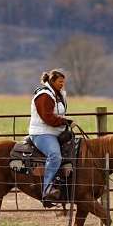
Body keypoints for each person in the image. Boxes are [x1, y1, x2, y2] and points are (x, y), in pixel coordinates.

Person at [28, 68, 75, 203]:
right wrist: (65, 121)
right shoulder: (44, 95)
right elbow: (48, 118)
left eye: (63, 82)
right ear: (52, 81)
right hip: (42, 133)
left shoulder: (58, 94)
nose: (62, 84)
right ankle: (47, 189)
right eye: (60, 82)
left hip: (56, 132)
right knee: (55, 156)